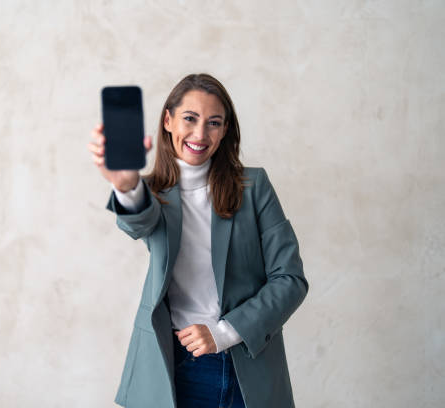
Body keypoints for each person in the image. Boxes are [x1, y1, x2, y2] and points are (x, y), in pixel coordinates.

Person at [88, 73, 308, 408]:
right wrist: (125, 187)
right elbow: (138, 221)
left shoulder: (254, 187)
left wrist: (224, 332)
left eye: (214, 123)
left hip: (247, 364)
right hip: (175, 369)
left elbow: (290, 280)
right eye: (190, 118)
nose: (200, 134)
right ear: (168, 120)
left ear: (225, 131)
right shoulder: (151, 194)